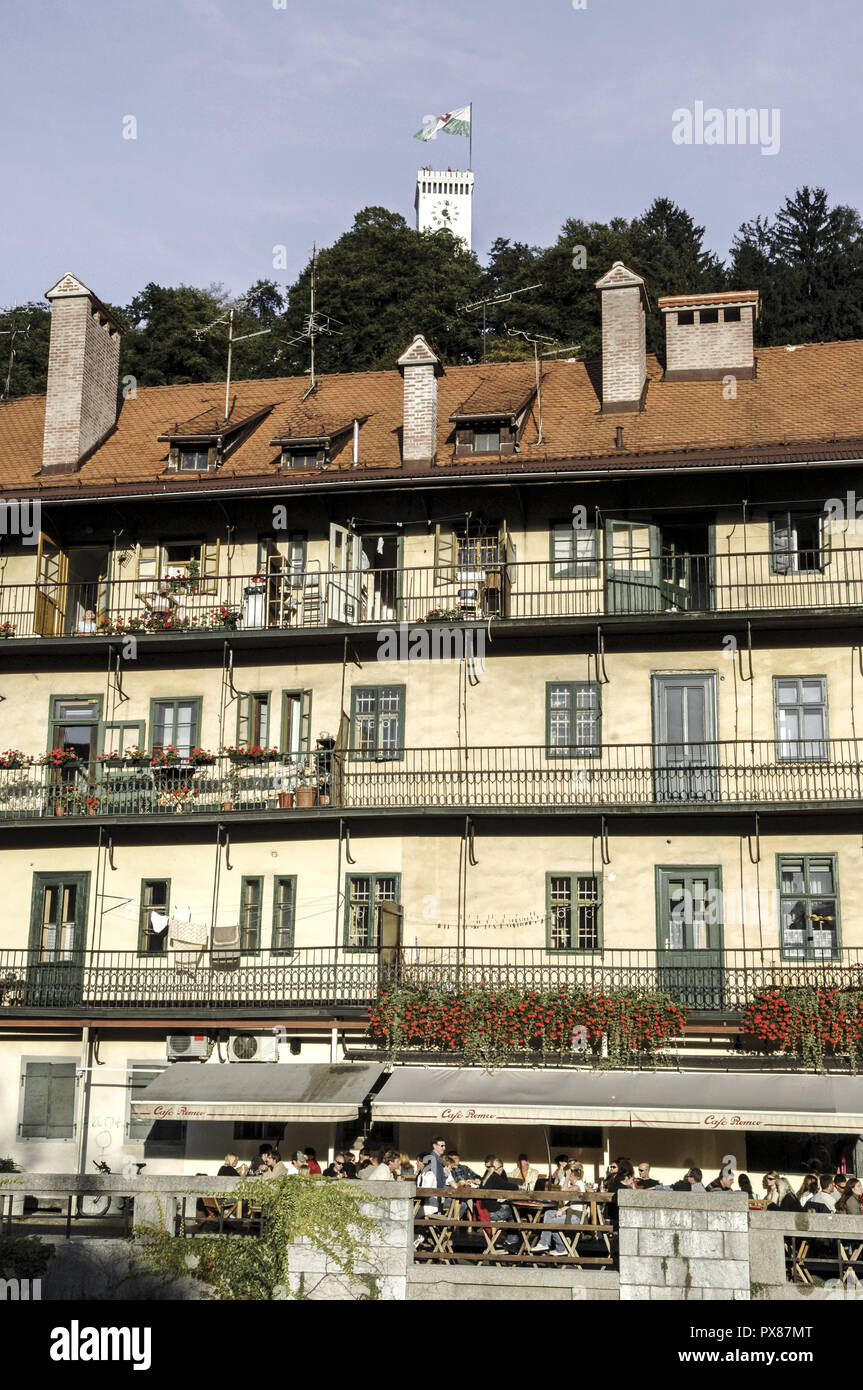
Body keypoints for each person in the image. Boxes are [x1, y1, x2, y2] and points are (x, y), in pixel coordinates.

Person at [479, 1157, 522, 1253]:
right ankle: (513, 1238)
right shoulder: (494, 1176)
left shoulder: (487, 1175)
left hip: (484, 1212)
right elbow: (509, 1186)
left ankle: (513, 1237)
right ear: (500, 1168)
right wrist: (520, 1187)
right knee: (512, 1210)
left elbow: (504, 1182)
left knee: (509, 1209)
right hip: (491, 1214)